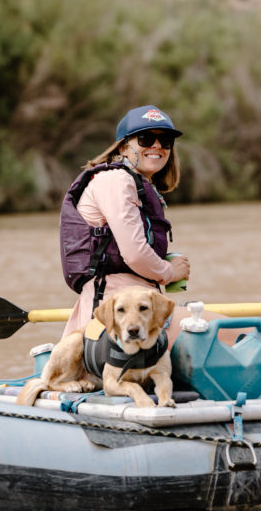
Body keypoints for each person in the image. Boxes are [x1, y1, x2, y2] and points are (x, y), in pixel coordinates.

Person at [58, 104, 192, 341]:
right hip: (114, 314)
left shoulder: (137, 184)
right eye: (146, 138)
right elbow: (135, 254)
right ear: (123, 146)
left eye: (166, 141)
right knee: (230, 330)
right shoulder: (116, 180)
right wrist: (170, 272)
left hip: (142, 306)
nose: (157, 146)